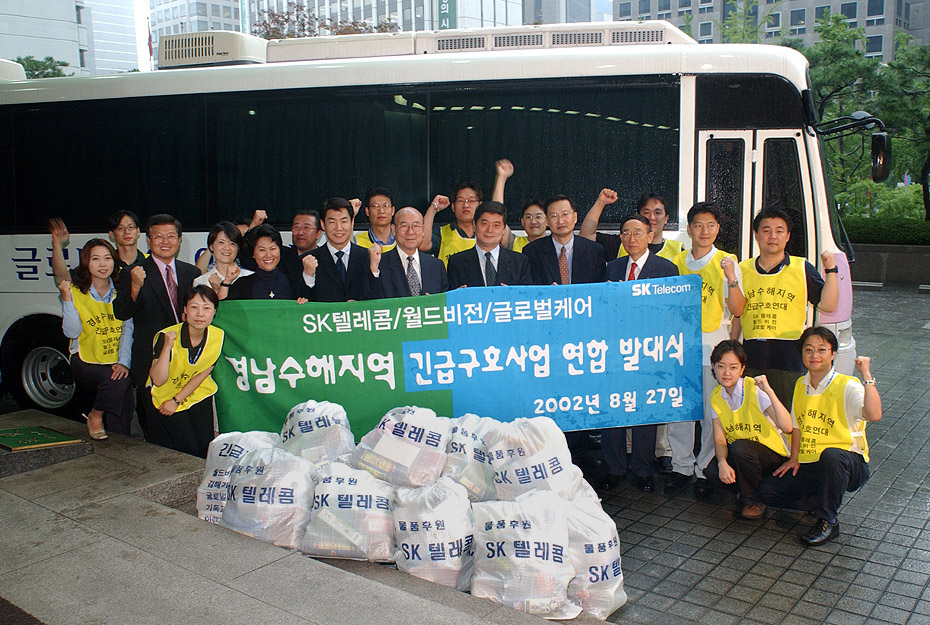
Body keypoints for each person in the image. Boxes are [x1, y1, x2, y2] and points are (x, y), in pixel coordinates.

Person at [758, 327, 881, 545]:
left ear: (833, 354)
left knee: (831, 455)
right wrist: (794, 459)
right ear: (802, 354)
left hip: (848, 462)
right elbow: (796, 426)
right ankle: (821, 500)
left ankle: (827, 520)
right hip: (811, 463)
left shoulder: (847, 385)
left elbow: (874, 414)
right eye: (809, 350)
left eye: (822, 350)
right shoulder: (800, 384)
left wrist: (867, 377)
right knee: (768, 493)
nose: (815, 355)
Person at [665, 203, 744, 495]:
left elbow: (738, 309)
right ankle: (681, 467)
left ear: (717, 229)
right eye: (698, 225)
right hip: (680, 348)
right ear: (689, 229)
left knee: (712, 412)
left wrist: (732, 279)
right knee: (681, 412)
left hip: (713, 348)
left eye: (710, 225)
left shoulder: (727, 262)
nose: (704, 231)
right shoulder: (677, 262)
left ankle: (705, 468)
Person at [728, 207, 839, 407]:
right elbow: (738, 313)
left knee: (789, 419)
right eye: (766, 230)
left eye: (779, 231)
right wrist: (732, 346)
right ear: (756, 235)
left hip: (789, 359)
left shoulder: (801, 267)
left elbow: (829, 305)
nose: (772, 236)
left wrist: (831, 269)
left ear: (787, 236)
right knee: (753, 419)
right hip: (752, 358)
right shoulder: (742, 269)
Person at [601, 214, 679, 493]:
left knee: (645, 413)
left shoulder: (667, 269)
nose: (631, 238)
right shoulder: (611, 268)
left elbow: (672, 313)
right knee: (613, 411)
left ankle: (644, 469)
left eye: (637, 232)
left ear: (650, 235)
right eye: (625, 233)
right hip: (614, 352)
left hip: (649, 352)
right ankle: (614, 468)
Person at [114, 214, 200, 441]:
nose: (165, 241)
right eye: (158, 236)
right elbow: (121, 313)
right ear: (148, 241)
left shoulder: (191, 273)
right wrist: (135, 287)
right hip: (151, 364)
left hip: (186, 363)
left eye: (171, 236)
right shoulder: (133, 272)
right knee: (157, 431)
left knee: (187, 429)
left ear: (179, 240)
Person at [704, 340, 796, 519]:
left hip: (771, 455)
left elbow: (787, 426)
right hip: (745, 454)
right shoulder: (716, 396)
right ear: (713, 367)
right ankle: (753, 488)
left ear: (742, 369)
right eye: (721, 366)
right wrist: (722, 462)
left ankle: (753, 501)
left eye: (733, 367)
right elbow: (720, 439)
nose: (726, 373)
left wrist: (769, 391)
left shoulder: (754, 389)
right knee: (713, 472)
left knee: (739, 448)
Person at [56, 238, 134, 439]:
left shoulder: (121, 292)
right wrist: (66, 301)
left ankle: (120, 443)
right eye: (96, 259)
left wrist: (123, 362)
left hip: (114, 358)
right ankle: (95, 415)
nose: (102, 264)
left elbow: (127, 329)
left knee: (123, 396)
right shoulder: (75, 291)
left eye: (108, 258)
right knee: (116, 382)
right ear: (86, 263)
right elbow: (72, 333)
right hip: (84, 359)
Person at [148, 285, 225, 458]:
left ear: (214, 312)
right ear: (185, 310)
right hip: (165, 396)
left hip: (195, 392)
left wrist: (178, 399)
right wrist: (167, 347)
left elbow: (202, 373)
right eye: (194, 307)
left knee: (205, 447)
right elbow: (158, 380)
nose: (200, 314)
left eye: (206, 308)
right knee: (187, 447)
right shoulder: (166, 336)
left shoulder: (217, 336)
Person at [303, 197, 380, 301]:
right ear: (322, 224)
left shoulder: (367, 257)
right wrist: (308, 277)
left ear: (352, 222)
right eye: (332, 222)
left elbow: (379, 299)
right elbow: (300, 304)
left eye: (344, 221)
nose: (338, 228)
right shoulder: (308, 260)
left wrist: (374, 270)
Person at [522, 195, 606, 286]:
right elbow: (530, 289)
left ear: (575, 217)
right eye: (554, 216)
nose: (560, 221)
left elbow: (600, 289)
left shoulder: (594, 251)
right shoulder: (532, 252)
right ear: (547, 221)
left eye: (565, 214)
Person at [447, 201, 532, 288]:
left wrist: (512, 295)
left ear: (503, 230)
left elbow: (528, 298)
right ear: (474, 225)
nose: (490, 230)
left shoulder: (520, 262)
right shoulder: (457, 263)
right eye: (484, 224)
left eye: (496, 225)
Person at [48, 211, 147, 286]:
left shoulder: (150, 261)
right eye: (120, 228)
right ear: (111, 234)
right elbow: (63, 280)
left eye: (131, 227)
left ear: (138, 231)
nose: (127, 232)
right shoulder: (104, 263)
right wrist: (57, 244)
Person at [580, 190, 684, 261]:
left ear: (666, 218)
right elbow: (586, 235)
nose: (652, 217)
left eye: (657, 213)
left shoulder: (678, 251)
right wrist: (601, 202)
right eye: (646, 212)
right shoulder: (622, 243)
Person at [373, 206, 449, 298]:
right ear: (393, 230)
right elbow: (371, 300)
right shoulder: (379, 264)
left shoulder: (436, 266)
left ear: (423, 230)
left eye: (416, 226)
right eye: (404, 226)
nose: (410, 232)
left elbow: (445, 303)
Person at [220, 224, 308, 301]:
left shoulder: (294, 283)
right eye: (262, 250)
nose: (268, 255)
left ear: (280, 250)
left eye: (273, 249)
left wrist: (303, 303)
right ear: (253, 254)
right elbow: (226, 312)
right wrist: (227, 282)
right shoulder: (242, 285)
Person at [489, 158, 546, 252]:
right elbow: (496, 214)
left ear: (547, 220)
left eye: (538, 217)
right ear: (522, 222)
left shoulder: (555, 246)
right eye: (528, 217)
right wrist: (501, 178)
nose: (533, 221)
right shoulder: (513, 242)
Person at [420, 182, 476, 266]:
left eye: (471, 201)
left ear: (480, 205)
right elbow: (423, 245)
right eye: (460, 201)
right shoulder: (442, 233)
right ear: (453, 207)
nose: (466, 205)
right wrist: (433, 208)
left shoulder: (487, 233)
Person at [194, 221, 253, 292]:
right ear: (211, 246)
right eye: (221, 242)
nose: (227, 248)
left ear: (238, 248)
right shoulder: (201, 282)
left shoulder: (251, 277)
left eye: (232, 243)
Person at [355, 187, 397, 252]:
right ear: (367, 211)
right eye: (375, 206)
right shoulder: (357, 241)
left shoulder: (402, 238)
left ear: (392, 210)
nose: (381, 211)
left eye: (385, 206)